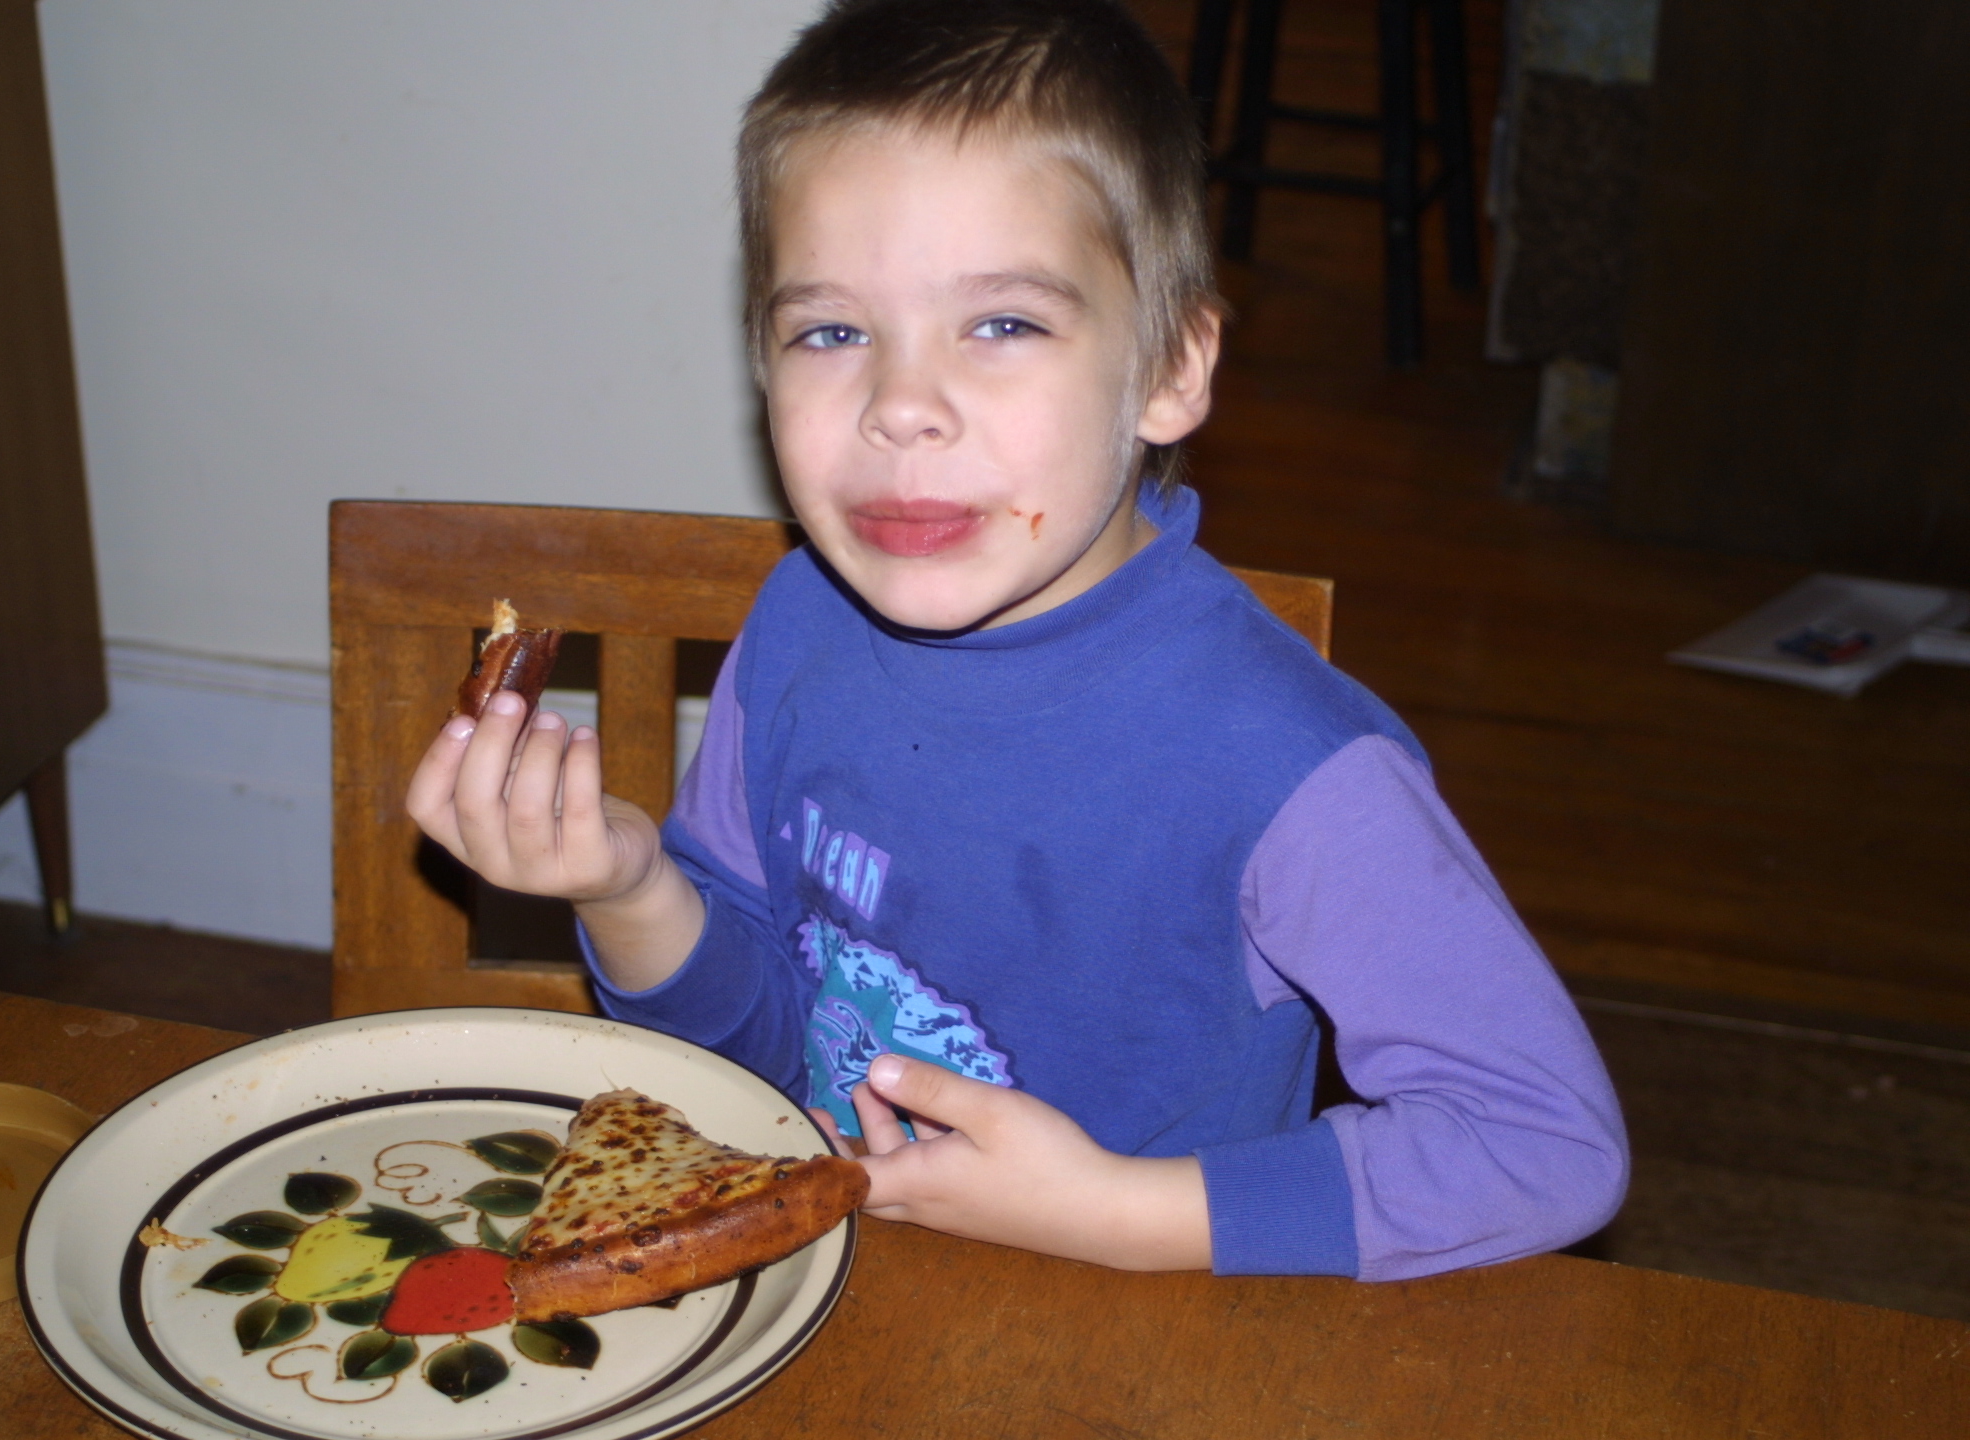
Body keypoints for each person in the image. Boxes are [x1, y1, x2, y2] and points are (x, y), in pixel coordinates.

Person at [408, 0, 1626, 1279]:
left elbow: (1545, 1145)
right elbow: (752, 1052)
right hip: (835, 1291)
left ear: (1171, 368)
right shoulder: (799, 623)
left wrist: (1115, 1211)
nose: (901, 406)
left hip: (1136, 1341)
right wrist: (627, 888)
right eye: (831, 331)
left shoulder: (1291, 767)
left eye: (1002, 323)